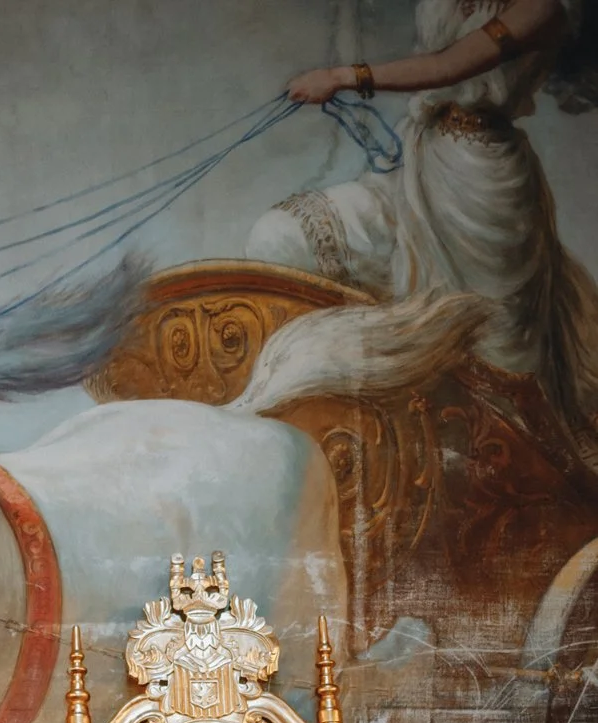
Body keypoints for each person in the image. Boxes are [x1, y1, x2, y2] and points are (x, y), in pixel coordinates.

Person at [243, 0, 598, 462]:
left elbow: (450, 65)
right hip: (414, 166)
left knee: (492, 371)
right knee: (281, 235)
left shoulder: (545, 7)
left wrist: (339, 77)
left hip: (482, 188)